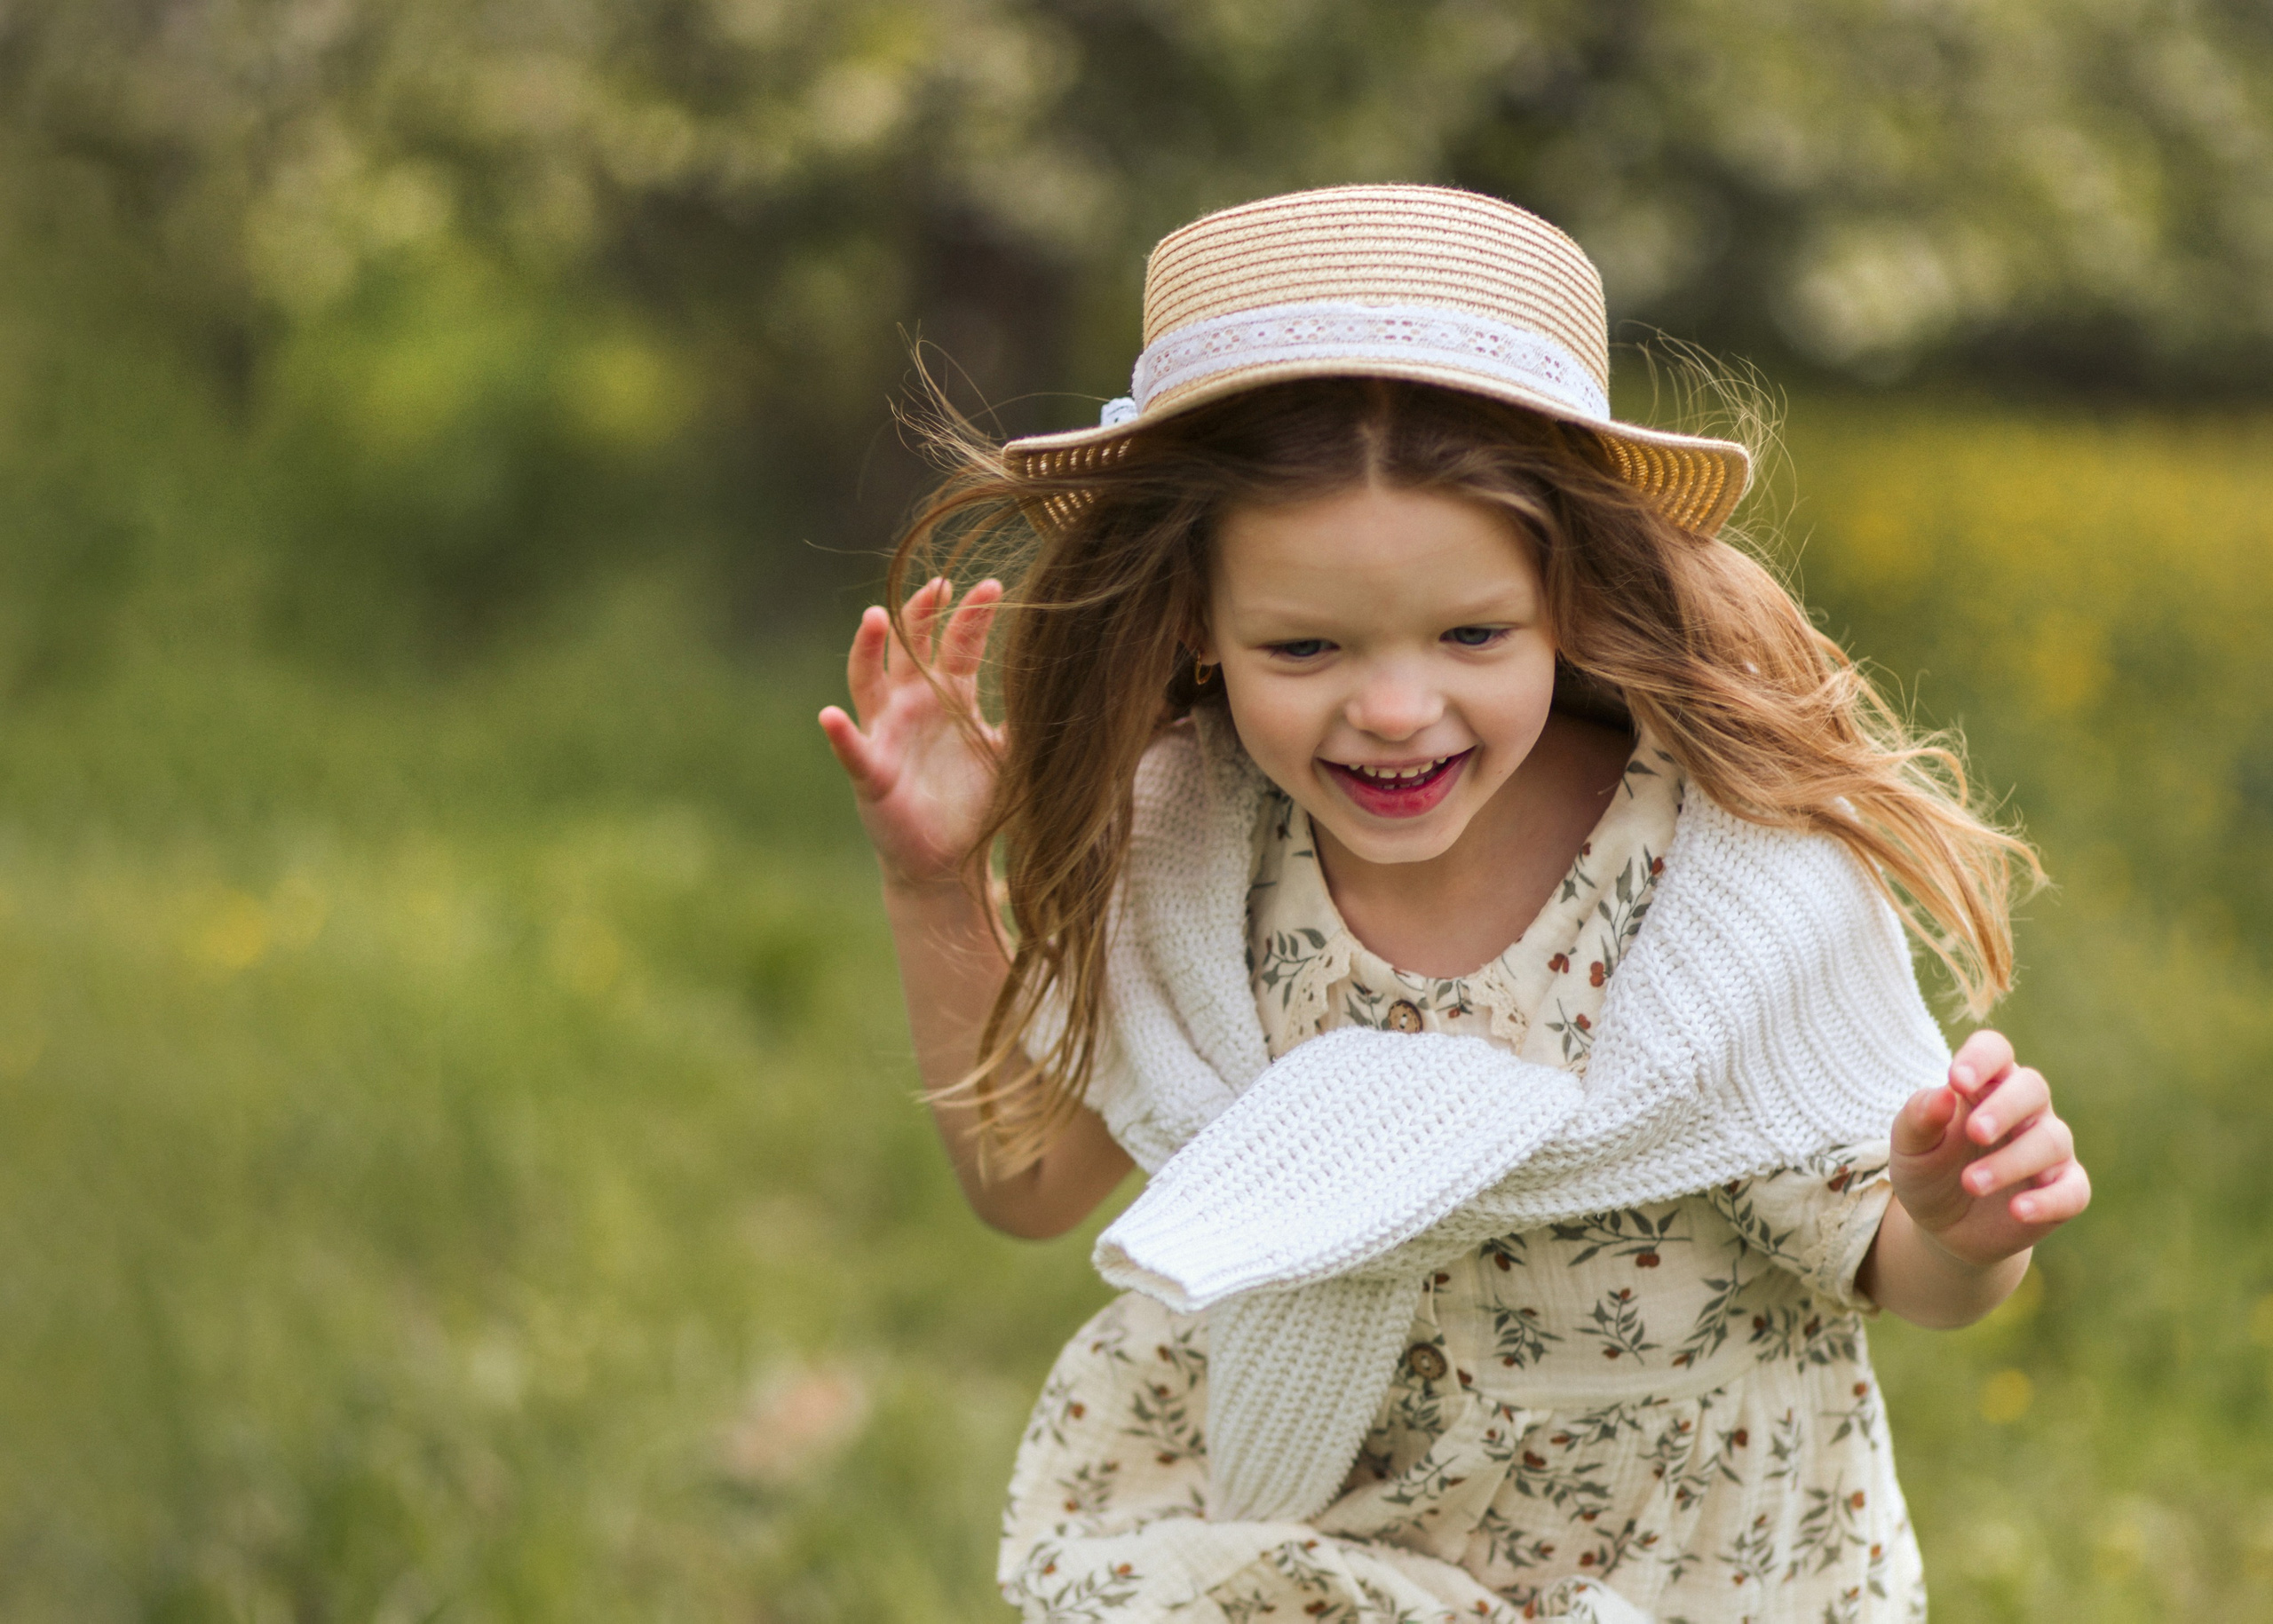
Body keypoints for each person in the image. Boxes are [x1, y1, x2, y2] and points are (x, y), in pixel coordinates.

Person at [818, 186, 2089, 1623]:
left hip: (1690, 1580)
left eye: (1473, 632)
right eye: (1304, 646)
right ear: (1195, 622)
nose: (1394, 708)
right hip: (1330, 1565)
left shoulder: (1727, 886)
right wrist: (933, 879)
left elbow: (1903, 1272)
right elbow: (1030, 1183)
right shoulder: (1196, 858)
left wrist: (1966, 1224)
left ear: (1571, 592)